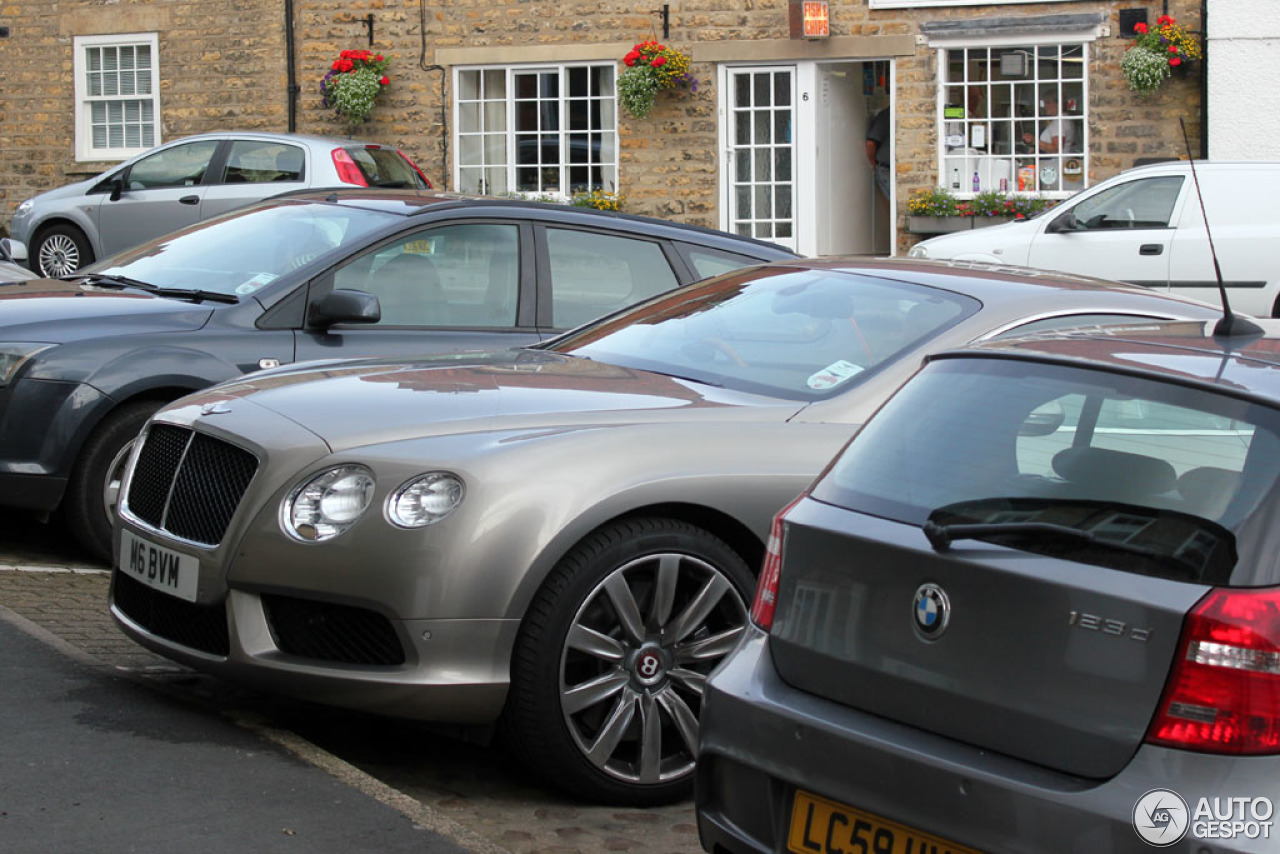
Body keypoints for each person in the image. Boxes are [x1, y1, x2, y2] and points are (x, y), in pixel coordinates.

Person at [865, 107, 891, 198]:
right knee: (898, 203)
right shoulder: (886, 115)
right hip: (885, 168)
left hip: (892, 168)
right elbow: (870, 144)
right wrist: (872, 163)